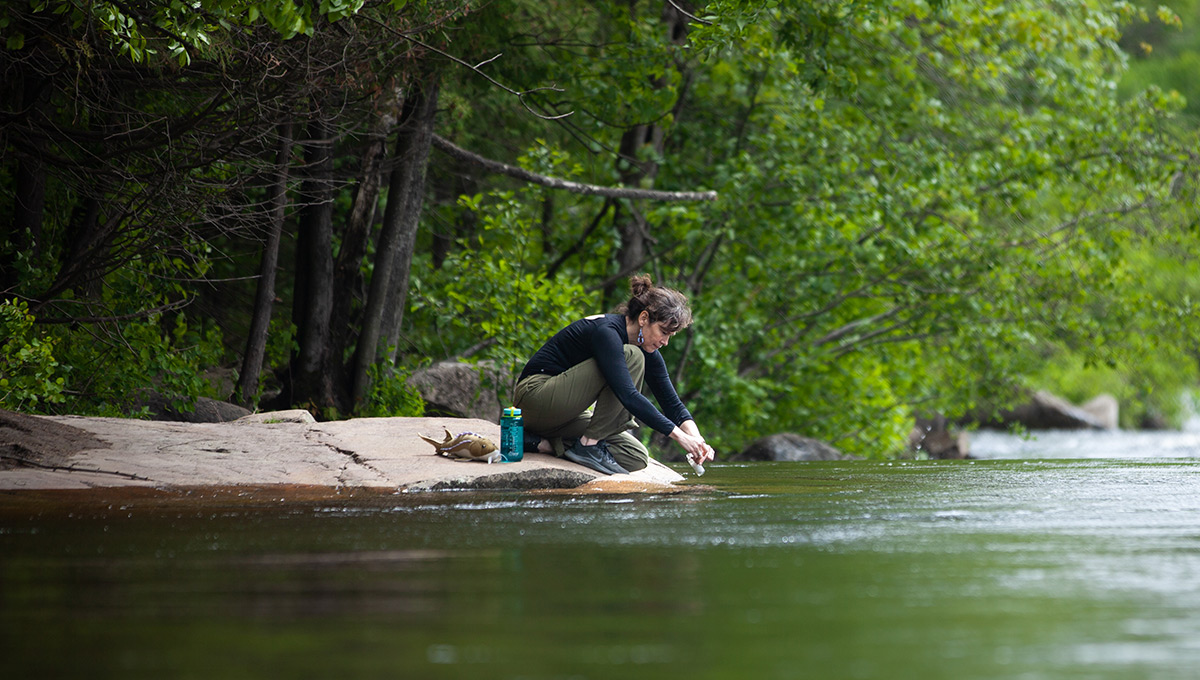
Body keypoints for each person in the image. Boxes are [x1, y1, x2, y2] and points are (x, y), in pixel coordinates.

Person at [513, 274, 716, 475]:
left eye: (670, 336)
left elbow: (672, 403)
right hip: (536, 397)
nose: (665, 342)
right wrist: (679, 436)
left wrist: (698, 441)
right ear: (644, 318)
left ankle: (541, 443)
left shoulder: (646, 346)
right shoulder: (607, 332)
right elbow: (627, 395)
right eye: (663, 332)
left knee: (635, 456)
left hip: (565, 414)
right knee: (633, 356)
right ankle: (588, 445)